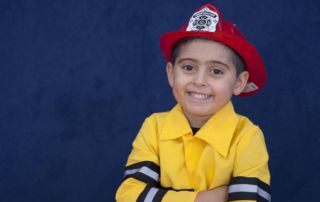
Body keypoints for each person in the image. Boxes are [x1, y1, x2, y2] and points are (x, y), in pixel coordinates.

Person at [115, 3, 271, 202]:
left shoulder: (247, 137)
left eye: (216, 71)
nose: (199, 81)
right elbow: (128, 196)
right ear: (171, 74)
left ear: (239, 83)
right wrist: (204, 199)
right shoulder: (154, 127)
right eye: (188, 67)